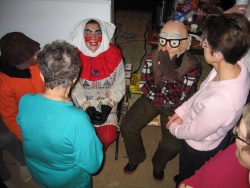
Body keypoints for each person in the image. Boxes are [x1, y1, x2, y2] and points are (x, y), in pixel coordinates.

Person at [167, 13, 250, 187]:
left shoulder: (221, 101)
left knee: (189, 176)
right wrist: (181, 110)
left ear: (218, 54)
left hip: (197, 147)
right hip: (207, 130)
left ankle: (184, 178)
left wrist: (174, 128)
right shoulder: (235, 66)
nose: (202, 45)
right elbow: (202, 93)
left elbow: (195, 133)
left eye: (205, 42)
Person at [120, 19, 201, 183]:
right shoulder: (152, 56)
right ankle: (136, 157)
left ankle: (158, 164)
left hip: (176, 106)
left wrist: (170, 78)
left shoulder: (192, 65)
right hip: (153, 98)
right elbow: (144, 83)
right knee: (127, 126)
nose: (168, 46)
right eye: (164, 40)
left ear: (185, 42)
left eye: (174, 41)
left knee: (173, 145)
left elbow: (180, 97)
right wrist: (159, 95)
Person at [17, 40, 103, 188]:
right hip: (70, 183)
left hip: (39, 176)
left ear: (41, 75)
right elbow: (93, 166)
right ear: (74, 79)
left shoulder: (24, 102)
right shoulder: (78, 120)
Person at [69, 18, 125, 152]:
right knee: (82, 135)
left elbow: (119, 83)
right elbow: (75, 87)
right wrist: (86, 107)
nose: (93, 38)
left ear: (103, 35)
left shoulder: (114, 55)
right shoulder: (75, 57)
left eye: (97, 33)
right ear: (82, 36)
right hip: (83, 102)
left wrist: (109, 105)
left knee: (107, 137)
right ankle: (89, 151)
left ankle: (99, 151)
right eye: (88, 33)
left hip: (108, 101)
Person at [0, 32, 44, 184]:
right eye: (33, 54)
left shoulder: (37, 63)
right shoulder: (4, 83)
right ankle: (25, 161)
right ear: (20, 63)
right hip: (25, 120)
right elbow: (9, 116)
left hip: (45, 109)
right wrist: (24, 137)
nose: (38, 53)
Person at [179, 102, 250, 188]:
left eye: (240, 134)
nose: (235, 131)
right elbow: (215, 161)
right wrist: (192, 182)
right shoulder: (237, 148)